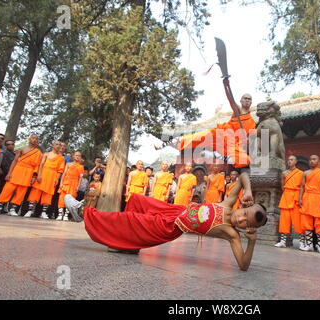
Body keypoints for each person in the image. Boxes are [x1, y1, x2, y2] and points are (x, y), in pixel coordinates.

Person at [83, 170, 267, 271]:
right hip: (174, 210)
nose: (240, 218)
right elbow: (243, 175)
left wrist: (251, 242)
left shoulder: (231, 234)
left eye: (245, 222)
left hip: (172, 226)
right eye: (244, 213)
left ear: (248, 228)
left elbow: (243, 265)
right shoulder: (228, 204)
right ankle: (128, 243)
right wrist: (249, 190)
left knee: (131, 218)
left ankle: (85, 213)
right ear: (244, 206)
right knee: (138, 200)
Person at [178, 94, 256, 169]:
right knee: (201, 136)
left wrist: (247, 140)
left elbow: (250, 139)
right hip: (225, 134)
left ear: (251, 102)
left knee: (246, 160)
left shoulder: (252, 122)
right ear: (241, 101)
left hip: (234, 145)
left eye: (249, 99)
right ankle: (182, 140)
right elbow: (231, 100)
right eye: (245, 98)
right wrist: (226, 85)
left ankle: (216, 155)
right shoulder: (238, 111)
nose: (247, 100)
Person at [0, 135, 42, 216]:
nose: (35, 140)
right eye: (33, 138)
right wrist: (9, 173)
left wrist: (34, 176)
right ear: (29, 139)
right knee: (8, 189)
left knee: (21, 191)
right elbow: (15, 161)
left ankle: (13, 209)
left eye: (36, 138)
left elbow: (37, 165)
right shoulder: (22, 149)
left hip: (29, 172)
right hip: (18, 169)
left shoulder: (38, 152)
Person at [24, 141, 66, 219]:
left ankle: (44, 212)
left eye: (60, 145)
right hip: (43, 173)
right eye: (56, 144)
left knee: (48, 193)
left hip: (52, 175)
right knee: (36, 191)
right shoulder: (46, 154)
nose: (58, 146)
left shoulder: (61, 158)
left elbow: (60, 170)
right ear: (53, 145)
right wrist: (39, 174)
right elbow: (41, 164)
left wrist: (57, 179)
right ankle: (30, 210)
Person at [298, 155, 320, 253]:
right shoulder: (305, 173)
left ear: (318, 161)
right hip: (307, 198)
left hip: (318, 198)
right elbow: (302, 187)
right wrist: (300, 199)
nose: (312, 161)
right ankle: (309, 244)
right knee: (307, 222)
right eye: (310, 159)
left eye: (314, 159)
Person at [275, 155, 304, 249]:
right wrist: (287, 193)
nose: (289, 161)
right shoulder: (284, 173)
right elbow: (282, 186)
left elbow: (302, 187)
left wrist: (300, 199)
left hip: (296, 197)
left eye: (291, 160)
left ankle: (302, 243)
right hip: (287, 196)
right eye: (288, 160)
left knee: (298, 221)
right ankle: (283, 241)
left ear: (296, 161)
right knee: (284, 220)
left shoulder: (300, 173)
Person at [56, 151, 85, 221]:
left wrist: (78, 186)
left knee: (70, 200)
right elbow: (64, 174)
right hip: (66, 183)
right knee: (62, 198)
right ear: (73, 156)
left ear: (80, 158)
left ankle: (66, 215)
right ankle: (60, 214)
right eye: (76, 155)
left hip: (74, 184)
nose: (77, 157)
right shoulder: (68, 164)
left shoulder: (81, 167)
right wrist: (61, 183)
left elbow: (80, 178)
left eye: (79, 156)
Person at [0, 139, 15, 210]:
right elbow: (0, 163)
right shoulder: (2, 152)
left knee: (6, 192)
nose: (10, 146)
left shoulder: (15, 154)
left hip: (10, 175)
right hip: (2, 174)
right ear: (5, 146)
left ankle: (3, 207)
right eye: (8, 144)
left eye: (12, 144)